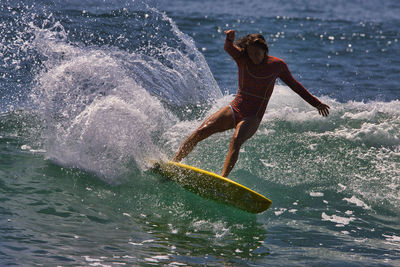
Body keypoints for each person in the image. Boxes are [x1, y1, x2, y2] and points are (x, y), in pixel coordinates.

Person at [172, 29, 330, 177]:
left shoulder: (277, 66)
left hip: (252, 116)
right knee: (200, 131)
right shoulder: (243, 59)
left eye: (257, 53)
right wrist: (229, 38)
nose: (254, 57)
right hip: (235, 108)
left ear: (265, 51)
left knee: (236, 140)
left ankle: (223, 179)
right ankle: (173, 163)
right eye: (250, 53)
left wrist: (316, 103)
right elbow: (228, 48)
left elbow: (295, 86)